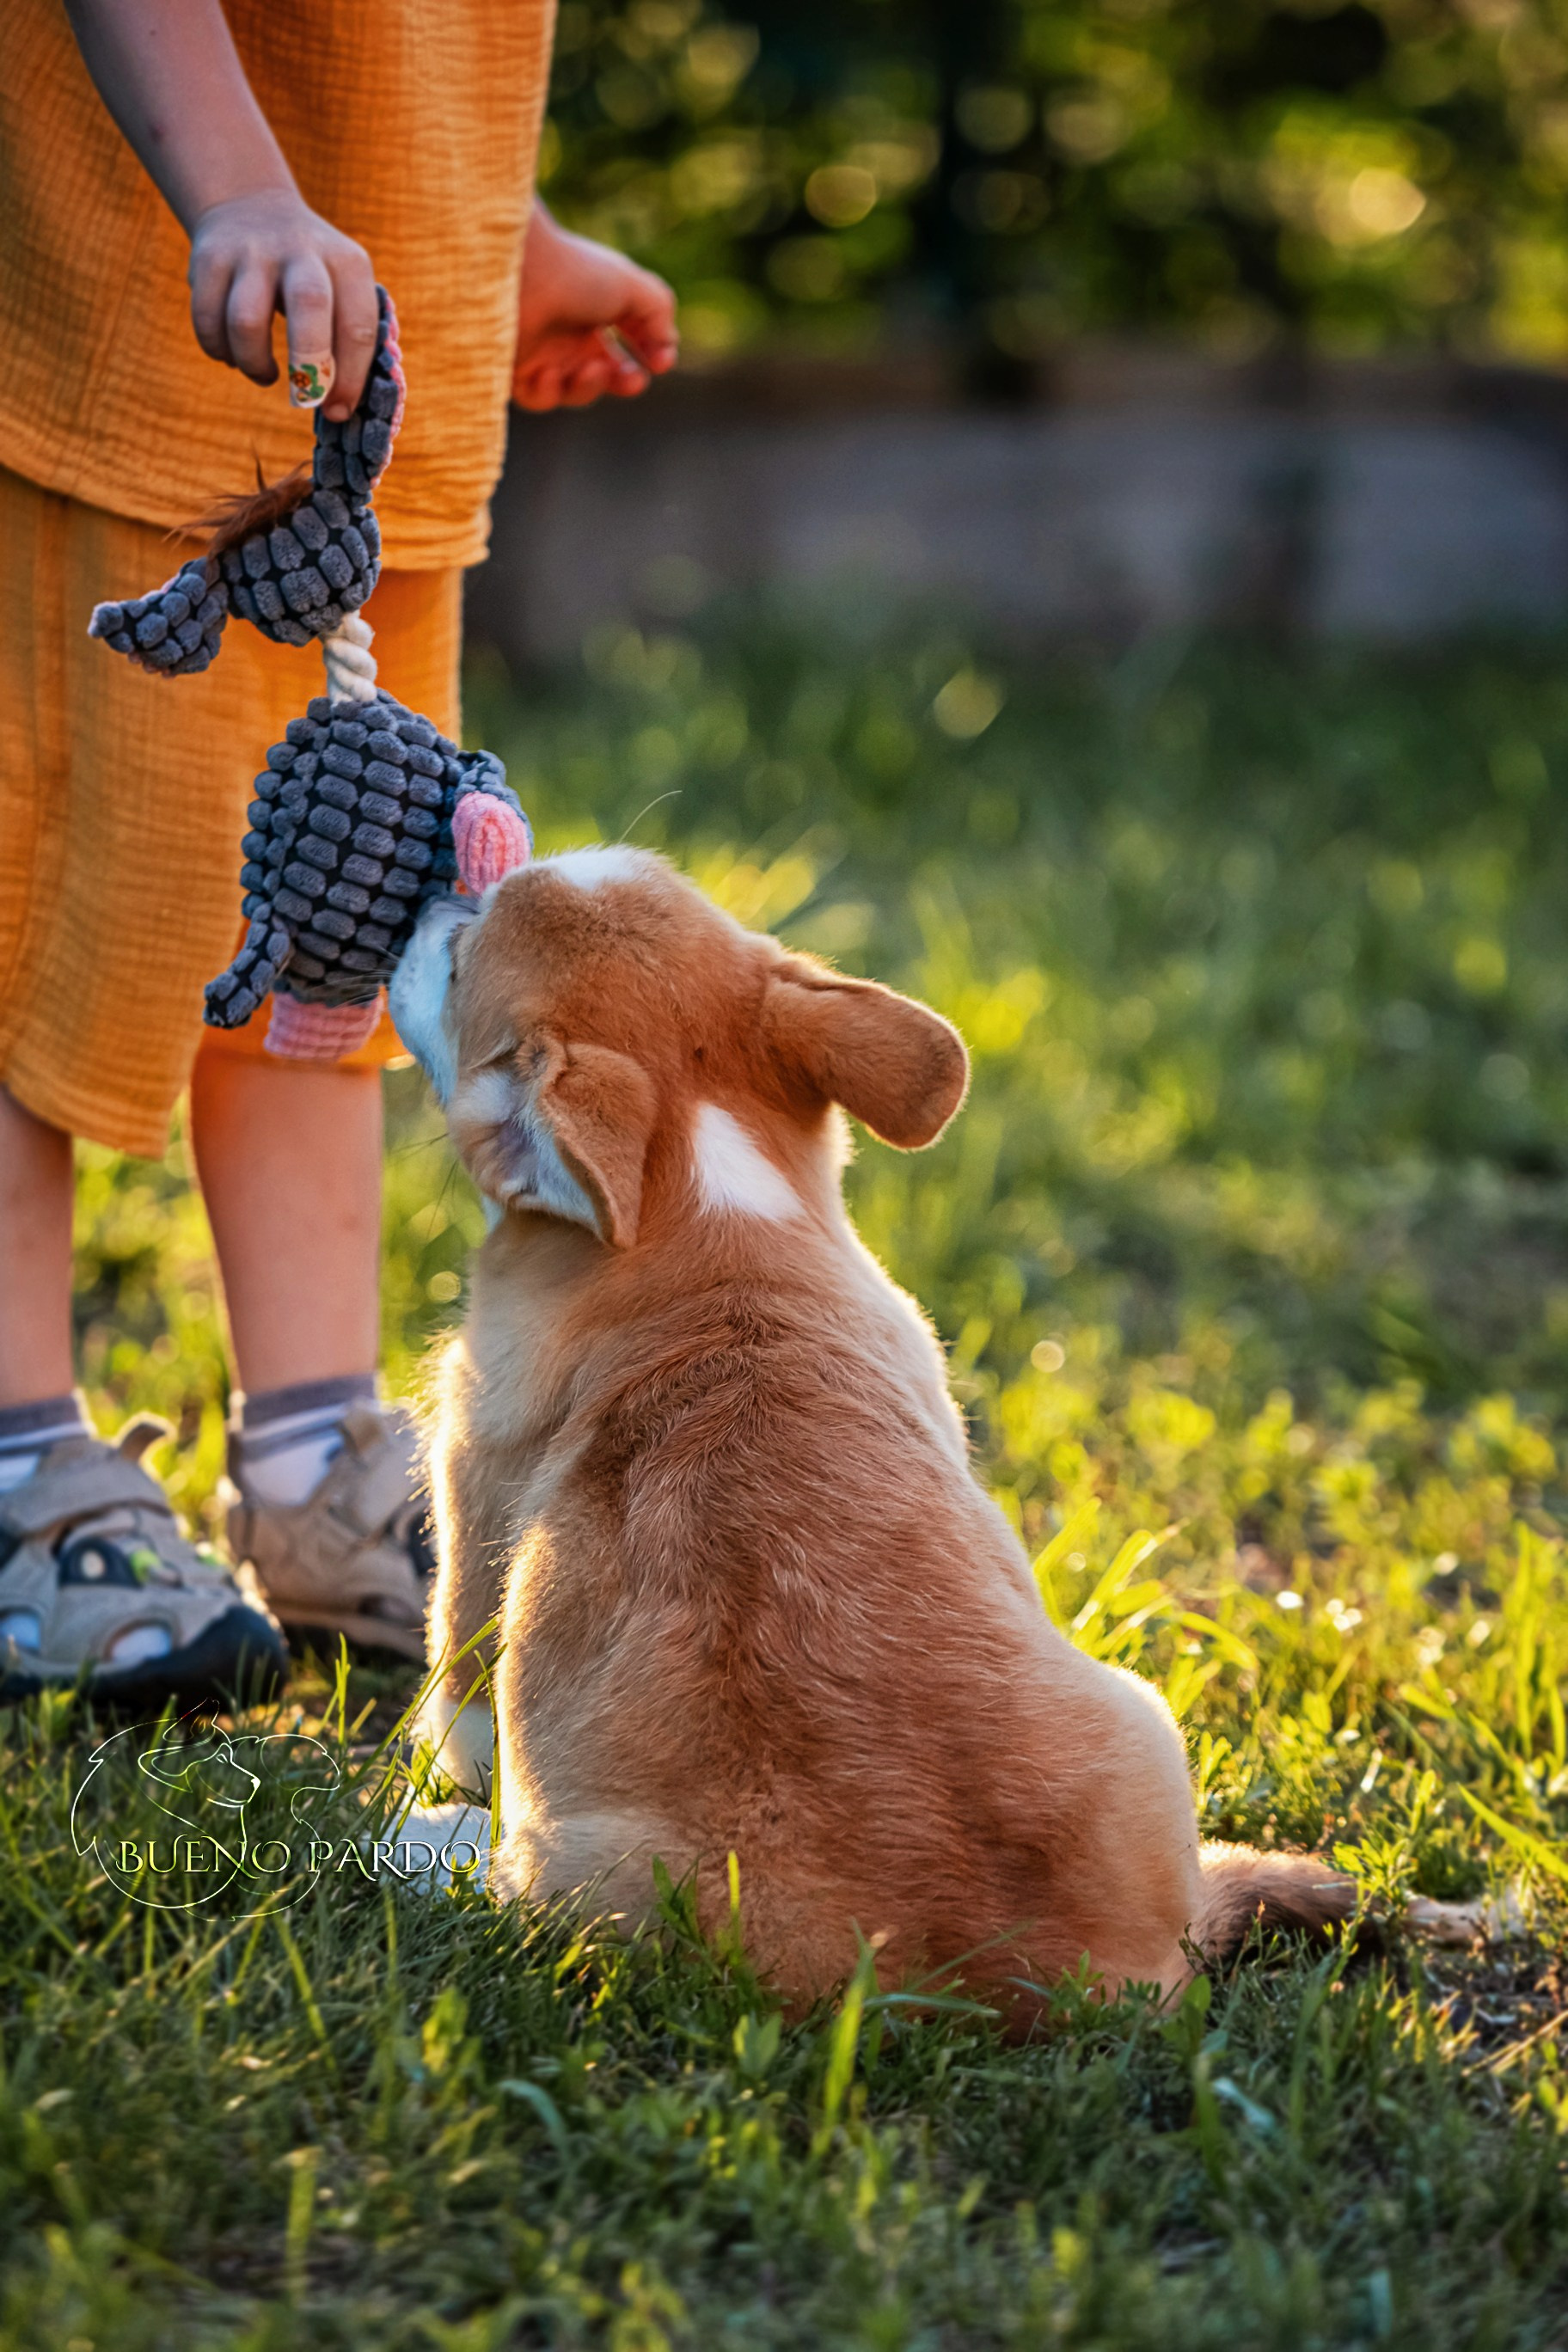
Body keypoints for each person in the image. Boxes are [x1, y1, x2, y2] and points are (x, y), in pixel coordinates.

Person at [0, 0, 678, 1700]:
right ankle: (15, 1466)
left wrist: (493, 235)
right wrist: (236, 193)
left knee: (336, 940)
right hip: (132, 356)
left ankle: (311, 1471)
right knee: (48, 918)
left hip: (376, 403)